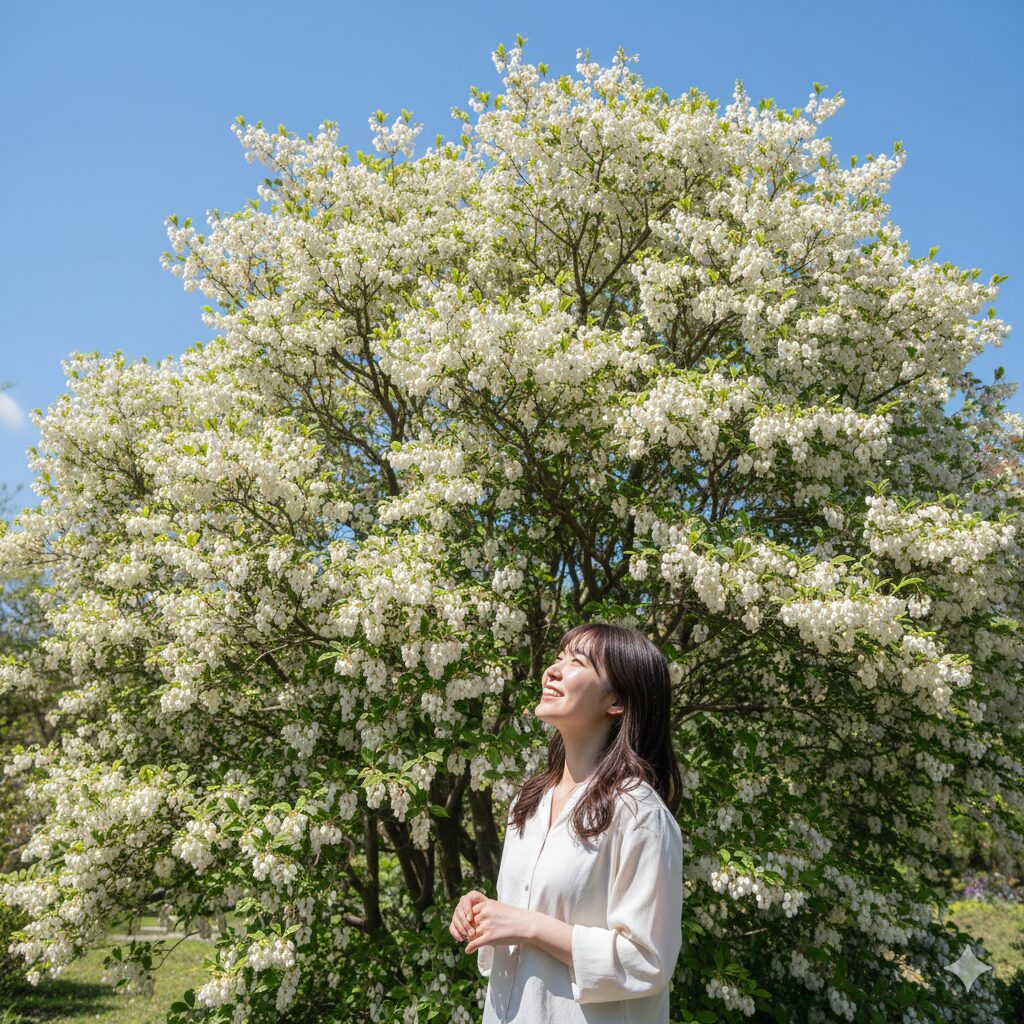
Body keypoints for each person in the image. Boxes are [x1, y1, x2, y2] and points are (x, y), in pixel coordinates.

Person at [449, 622, 684, 1023]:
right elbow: (523, 922)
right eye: (557, 657)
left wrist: (529, 925)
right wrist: (484, 913)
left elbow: (648, 961)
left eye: (577, 662)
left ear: (616, 701)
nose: (552, 670)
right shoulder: (529, 801)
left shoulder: (638, 814)